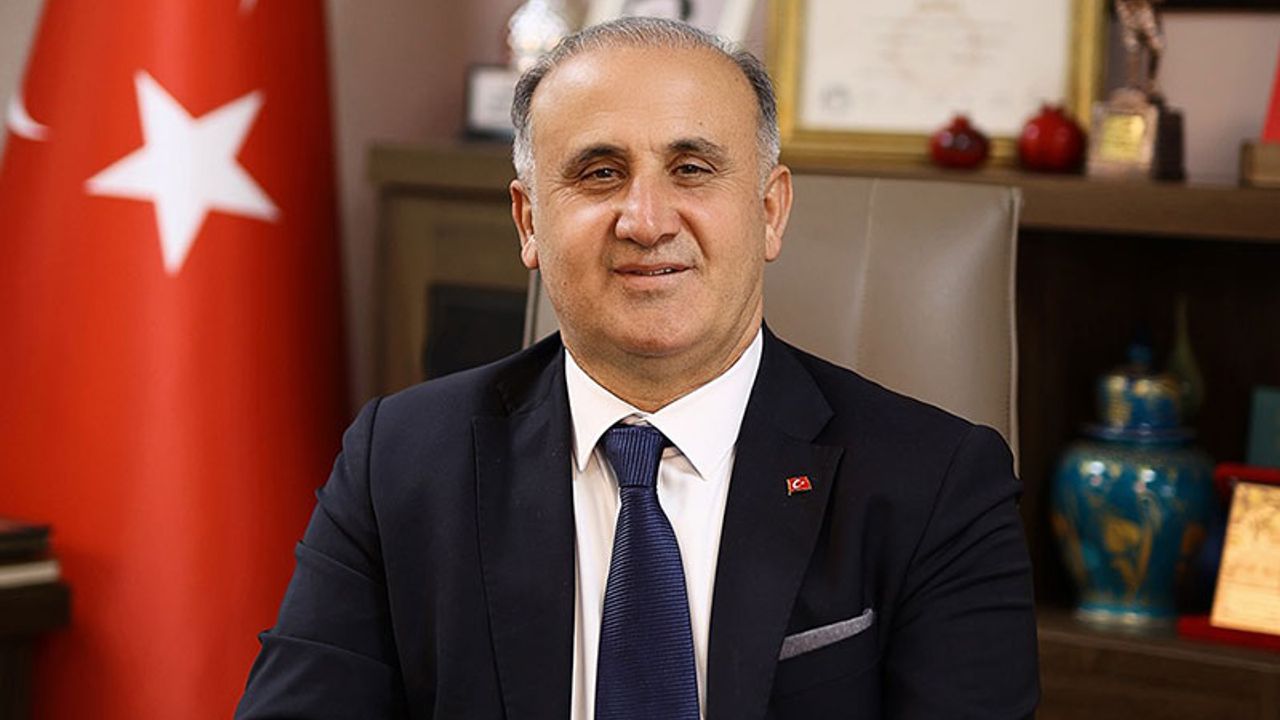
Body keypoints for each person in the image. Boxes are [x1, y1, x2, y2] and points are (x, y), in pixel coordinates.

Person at [236, 17, 1039, 720]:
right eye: (599, 173)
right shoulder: (399, 462)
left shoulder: (938, 485)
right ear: (528, 222)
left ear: (769, 211)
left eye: (691, 169)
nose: (646, 222)